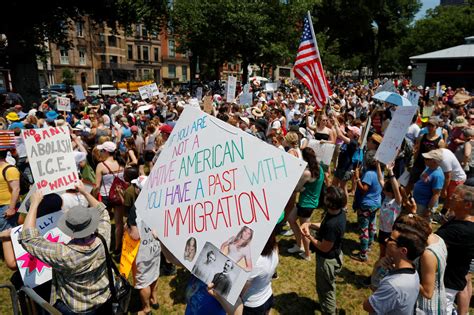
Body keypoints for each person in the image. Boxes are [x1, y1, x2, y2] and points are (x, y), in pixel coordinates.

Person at [18, 182, 112, 314]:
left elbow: (27, 238)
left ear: (70, 231)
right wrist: (85, 192)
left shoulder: (63, 254)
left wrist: (34, 203)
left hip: (77, 308)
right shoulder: (104, 237)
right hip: (104, 297)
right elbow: (103, 211)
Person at [363, 214, 428, 315]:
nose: (385, 240)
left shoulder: (393, 285)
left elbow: (368, 306)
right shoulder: (412, 272)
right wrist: (377, 267)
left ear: (403, 250)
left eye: (390, 239)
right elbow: (375, 287)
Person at [300, 186, 347, 315]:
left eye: (326, 198)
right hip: (334, 256)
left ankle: (329, 312)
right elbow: (324, 226)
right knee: (327, 285)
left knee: (326, 290)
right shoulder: (339, 213)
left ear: (330, 203)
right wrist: (310, 224)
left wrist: (309, 236)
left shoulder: (333, 225)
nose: (323, 198)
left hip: (327, 261)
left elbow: (324, 247)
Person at [435, 184, 474, 315]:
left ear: (467, 205)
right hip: (444, 282)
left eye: (455, 197)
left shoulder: (462, 230)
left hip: (446, 286)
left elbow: (431, 243)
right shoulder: (457, 220)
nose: (450, 197)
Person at [287, 147, 324, 260]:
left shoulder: (307, 173)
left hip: (306, 204)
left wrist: (300, 187)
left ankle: (307, 254)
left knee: (304, 229)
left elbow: (296, 188)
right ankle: (299, 245)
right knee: (291, 219)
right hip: (310, 202)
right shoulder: (320, 168)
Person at [352, 151, 382, 262]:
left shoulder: (369, 174)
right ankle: (369, 244)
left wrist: (357, 178)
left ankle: (363, 253)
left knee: (364, 228)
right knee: (372, 224)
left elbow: (364, 189)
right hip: (376, 203)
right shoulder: (380, 172)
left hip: (366, 205)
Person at [240, 230, 279, 315]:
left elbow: (242, 291)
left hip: (252, 305)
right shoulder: (274, 248)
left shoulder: (255, 263)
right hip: (268, 295)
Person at [413, 149, 445, 221]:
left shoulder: (438, 175)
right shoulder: (428, 168)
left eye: (427, 159)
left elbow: (436, 194)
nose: (424, 159)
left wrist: (429, 209)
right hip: (418, 201)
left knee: (422, 224)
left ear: (434, 161)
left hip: (424, 204)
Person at [0, 149, 20, 232]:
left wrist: (11, 208)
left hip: (7, 207)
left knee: (7, 236)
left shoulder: (10, 169)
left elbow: (16, 189)